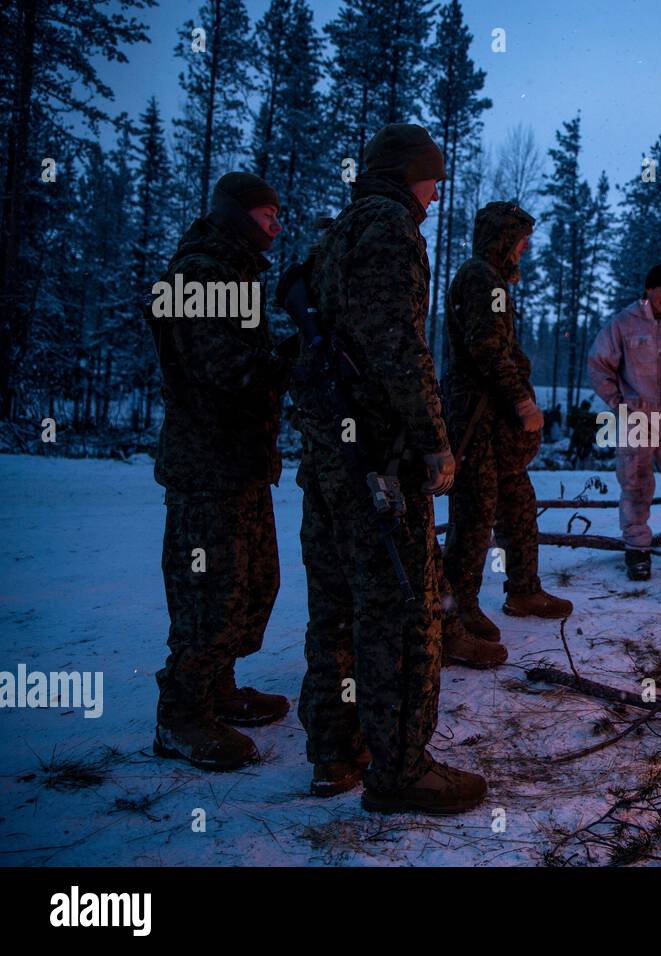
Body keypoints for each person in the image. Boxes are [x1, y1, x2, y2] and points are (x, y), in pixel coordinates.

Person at [291, 123, 490, 812]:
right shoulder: (387, 230)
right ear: (411, 174)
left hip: (331, 459)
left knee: (336, 606)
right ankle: (402, 769)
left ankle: (335, 751)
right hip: (380, 461)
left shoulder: (338, 233)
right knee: (404, 609)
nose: (437, 196)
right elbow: (396, 348)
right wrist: (436, 439)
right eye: (433, 180)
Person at [149, 171, 290, 773]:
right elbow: (221, 367)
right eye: (266, 214)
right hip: (207, 466)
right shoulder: (201, 273)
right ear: (236, 215)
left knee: (251, 584)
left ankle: (218, 688)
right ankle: (181, 715)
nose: (276, 224)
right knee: (209, 591)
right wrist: (292, 359)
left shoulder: (233, 275)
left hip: (238, 462)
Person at [443, 202, 573, 643]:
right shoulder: (480, 278)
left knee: (517, 502)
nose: (525, 248)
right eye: (520, 240)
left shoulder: (491, 280)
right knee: (475, 511)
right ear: (503, 239)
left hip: (495, 424)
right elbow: (487, 350)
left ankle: (523, 590)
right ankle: (456, 608)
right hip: (477, 419)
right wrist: (521, 401)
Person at [588, 264, 661, 581]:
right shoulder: (624, 324)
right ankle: (637, 550)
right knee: (636, 484)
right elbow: (598, 365)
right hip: (637, 415)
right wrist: (619, 403)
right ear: (649, 289)